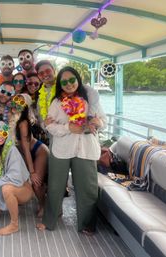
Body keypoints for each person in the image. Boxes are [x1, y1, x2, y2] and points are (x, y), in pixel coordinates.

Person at [36, 66, 106, 235]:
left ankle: (87, 224)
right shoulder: (57, 102)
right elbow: (49, 125)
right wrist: (69, 127)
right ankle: (49, 220)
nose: (69, 84)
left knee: (87, 188)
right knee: (55, 187)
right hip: (61, 149)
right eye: (64, 81)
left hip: (86, 149)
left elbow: (103, 121)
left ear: (78, 79)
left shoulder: (90, 98)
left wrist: (98, 123)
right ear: (60, 84)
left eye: (72, 80)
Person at [11, 93, 49, 217]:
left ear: (26, 106)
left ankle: (43, 205)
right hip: (24, 155)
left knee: (36, 182)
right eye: (16, 100)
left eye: (22, 102)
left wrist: (32, 172)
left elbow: (26, 149)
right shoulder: (12, 117)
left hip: (38, 151)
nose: (18, 104)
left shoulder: (23, 123)